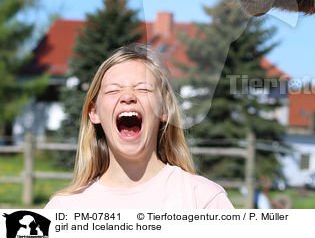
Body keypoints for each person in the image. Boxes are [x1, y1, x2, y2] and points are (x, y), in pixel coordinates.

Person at [45, 44, 234, 209]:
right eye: (113, 90)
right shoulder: (63, 210)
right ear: (94, 112)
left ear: (163, 109)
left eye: (143, 89)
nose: (128, 97)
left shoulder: (203, 200)